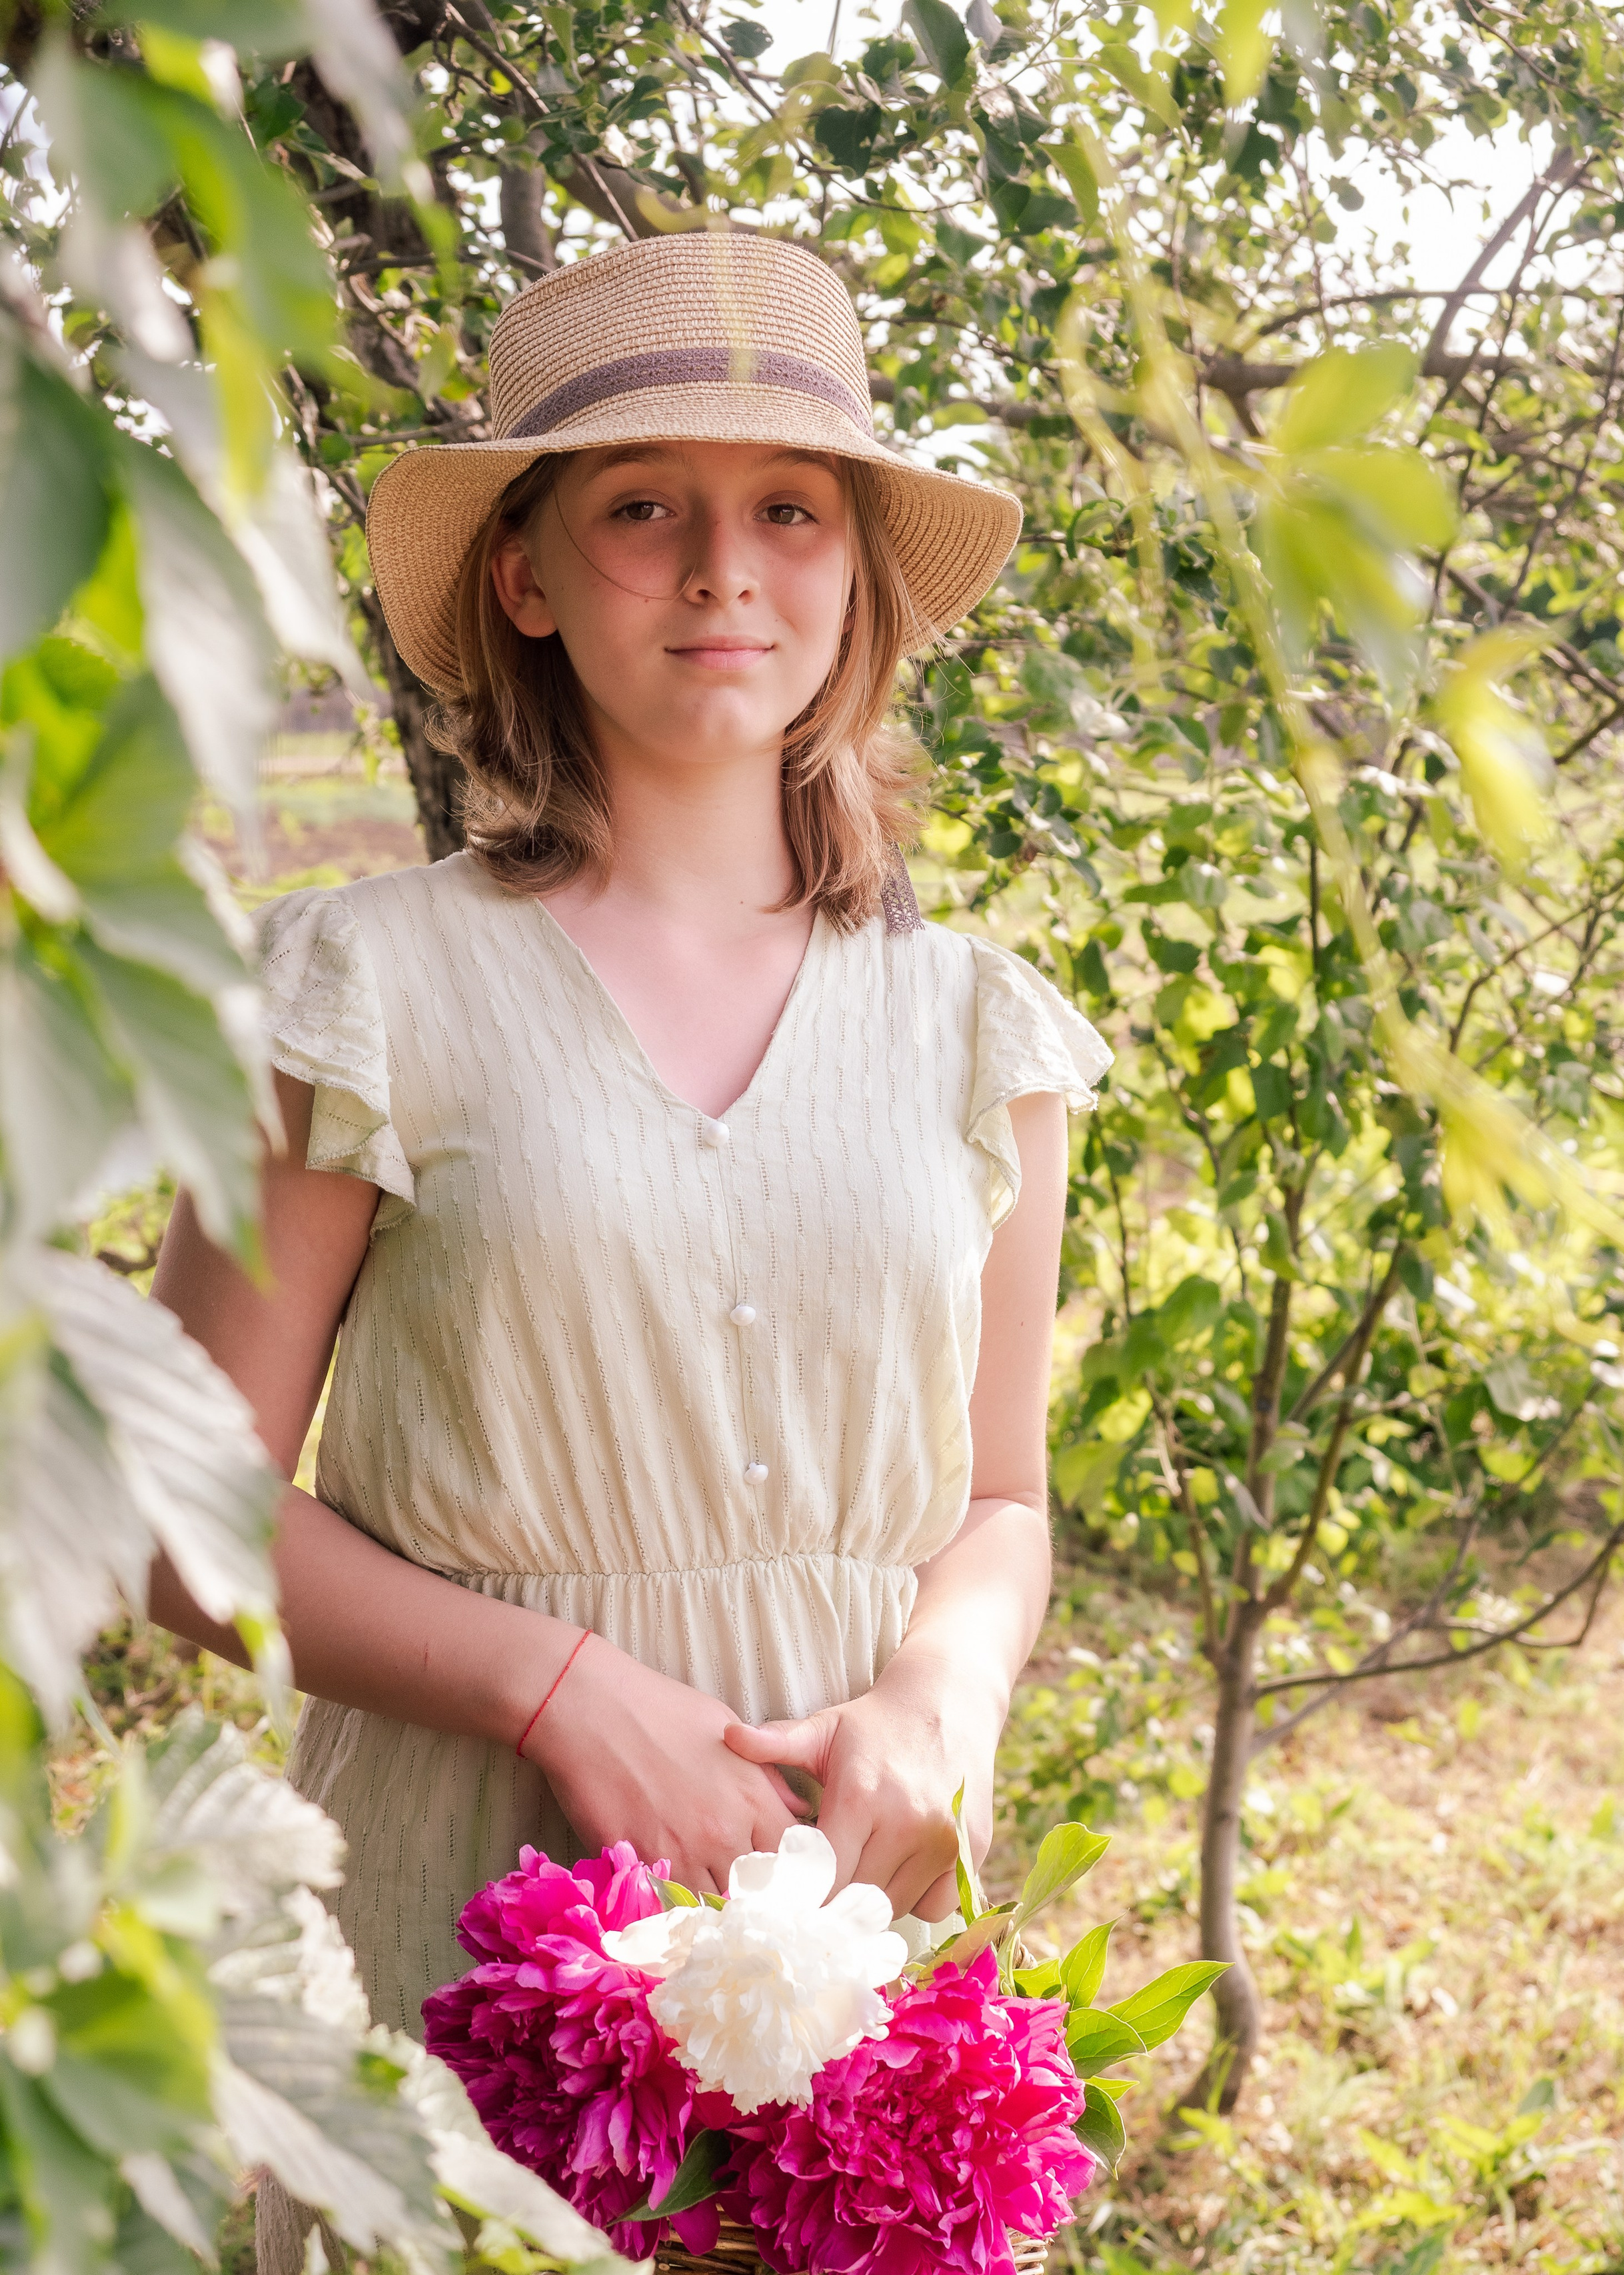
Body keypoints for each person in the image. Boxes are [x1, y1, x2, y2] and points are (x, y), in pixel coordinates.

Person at [149, 231, 1110, 2089]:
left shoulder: (980, 1030)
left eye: (790, 511)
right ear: (523, 575)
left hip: (850, 1934)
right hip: (470, 1915)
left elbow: (1000, 1503)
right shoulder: (367, 988)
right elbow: (177, 1509)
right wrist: (559, 1686)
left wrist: (943, 1690)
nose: (725, 568)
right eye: (645, 507)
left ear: (857, 578)